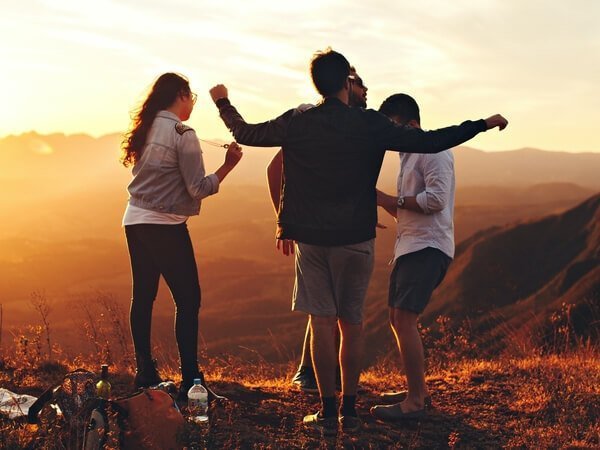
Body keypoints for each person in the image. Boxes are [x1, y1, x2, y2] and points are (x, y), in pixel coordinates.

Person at [209, 48, 507, 436]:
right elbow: (432, 141)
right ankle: (350, 410)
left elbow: (247, 133)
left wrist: (223, 102)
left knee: (322, 323)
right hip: (356, 237)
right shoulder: (368, 124)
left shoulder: (298, 121)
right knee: (353, 325)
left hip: (312, 239)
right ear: (347, 84)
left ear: (317, 83)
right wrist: (481, 124)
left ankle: (327, 413)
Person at [120, 72, 243, 403]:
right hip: (165, 224)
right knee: (188, 299)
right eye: (192, 99)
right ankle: (192, 381)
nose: (192, 106)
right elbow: (198, 188)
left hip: (134, 219)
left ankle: (145, 372)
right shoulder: (183, 133)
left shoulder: (146, 128)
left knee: (144, 296)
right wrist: (229, 165)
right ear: (181, 95)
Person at [266, 67, 369, 394]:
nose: (367, 92)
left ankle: (323, 379)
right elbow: (275, 167)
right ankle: (310, 375)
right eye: (360, 85)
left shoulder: (349, 126)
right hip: (315, 230)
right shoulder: (311, 119)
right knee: (325, 310)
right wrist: (285, 221)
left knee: (330, 308)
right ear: (345, 86)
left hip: (338, 227)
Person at [370, 93, 456, 420]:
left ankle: (416, 401)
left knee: (404, 319)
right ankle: (415, 389)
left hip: (428, 247)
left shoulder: (433, 152)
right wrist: (381, 202)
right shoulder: (408, 155)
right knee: (397, 318)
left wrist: (392, 199)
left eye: (392, 126)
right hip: (411, 245)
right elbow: (408, 207)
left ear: (411, 123)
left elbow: (435, 200)